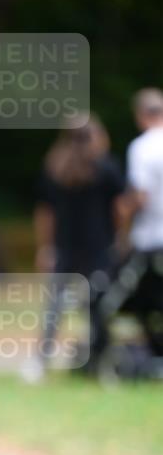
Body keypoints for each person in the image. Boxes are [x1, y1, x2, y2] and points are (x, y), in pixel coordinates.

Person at [31, 115, 125, 377]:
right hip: (99, 248)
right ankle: (98, 358)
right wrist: (121, 237)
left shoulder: (54, 167)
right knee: (97, 304)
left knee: (54, 308)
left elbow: (45, 212)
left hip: (65, 247)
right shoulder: (106, 167)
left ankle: (40, 361)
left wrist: (46, 246)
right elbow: (119, 208)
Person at [92, 88, 163, 369]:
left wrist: (123, 213)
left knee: (138, 299)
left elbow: (141, 196)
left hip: (151, 241)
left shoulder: (143, 147)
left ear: (140, 115)